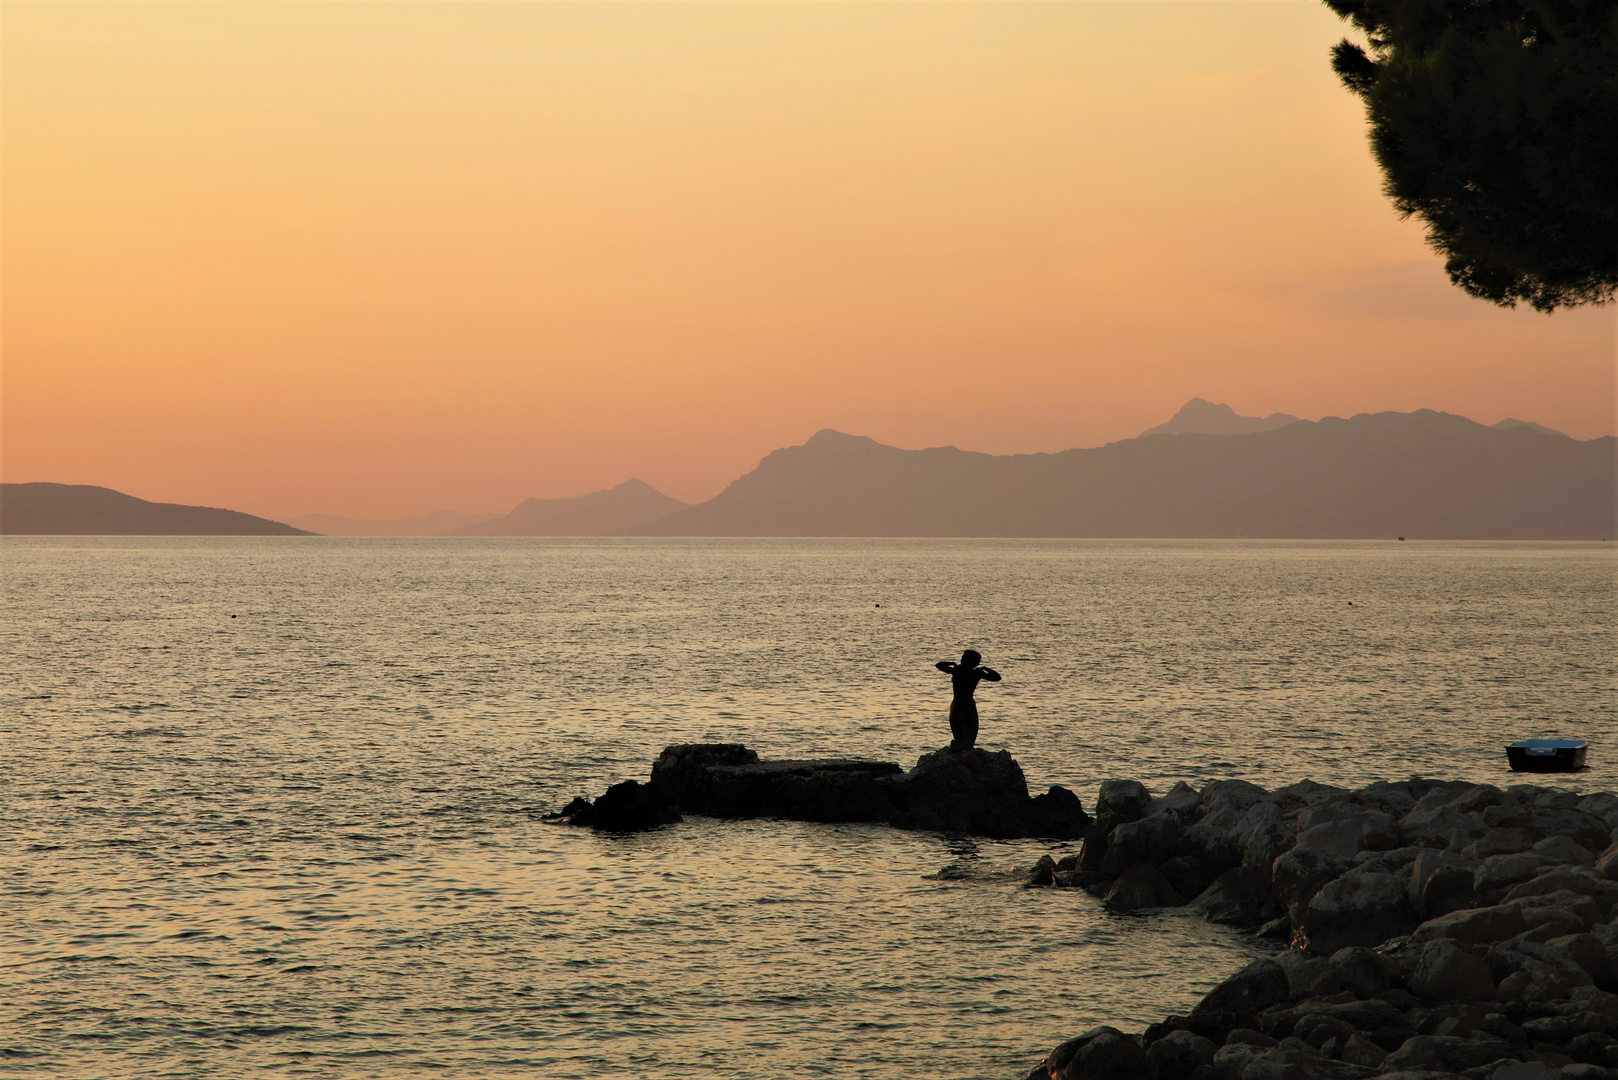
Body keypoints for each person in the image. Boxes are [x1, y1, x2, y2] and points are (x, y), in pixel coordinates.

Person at [934, 649, 1001, 751]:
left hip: (955, 706)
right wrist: (985, 668)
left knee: (959, 741)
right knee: (968, 745)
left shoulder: (956, 670)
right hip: (967, 706)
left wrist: (952, 664)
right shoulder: (976, 673)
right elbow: (997, 677)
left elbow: (939, 665)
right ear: (975, 663)